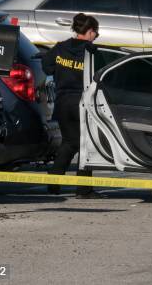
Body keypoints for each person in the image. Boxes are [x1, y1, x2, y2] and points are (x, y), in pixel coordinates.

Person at [42, 12, 104, 199]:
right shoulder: (91, 52)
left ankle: (53, 181)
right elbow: (101, 76)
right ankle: (83, 189)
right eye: (96, 33)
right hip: (81, 103)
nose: (96, 37)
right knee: (86, 145)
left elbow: (46, 66)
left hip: (62, 103)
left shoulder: (60, 48)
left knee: (70, 142)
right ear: (90, 32)